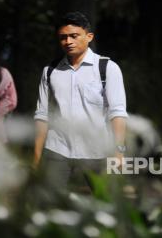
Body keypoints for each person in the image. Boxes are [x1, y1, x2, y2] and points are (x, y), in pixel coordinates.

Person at [33, 12, 128, 190]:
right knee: (49, 205)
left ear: (89, 37)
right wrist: (37, 156)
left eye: (74, 36)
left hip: (96, 152)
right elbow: (42, 115)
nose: (68, 41)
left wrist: (119, 151)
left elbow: (118, 112)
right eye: (63, 37)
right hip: (57, 150)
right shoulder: (50, 71)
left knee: (100, 208)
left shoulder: (107, 68)